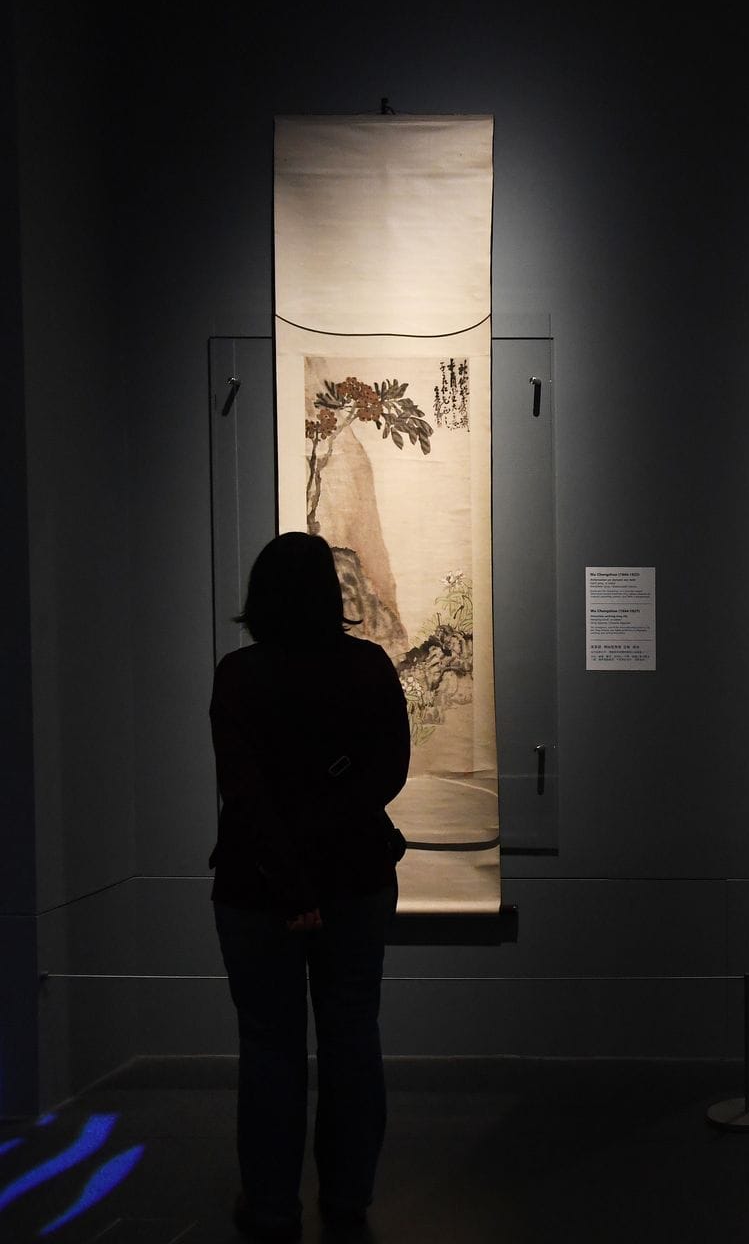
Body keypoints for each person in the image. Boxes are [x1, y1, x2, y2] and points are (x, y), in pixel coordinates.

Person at [210, 532, 410, 1241]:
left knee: (269, 1044)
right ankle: (349, 1197)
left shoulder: (239, 675)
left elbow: (244, 794)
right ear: (333, 594)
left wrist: (292, 882)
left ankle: (271, 1204)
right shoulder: (368, 668)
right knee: (353, 1034)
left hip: (257, 888)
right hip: (354, 878)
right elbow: (387, 774)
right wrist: (326, 837)